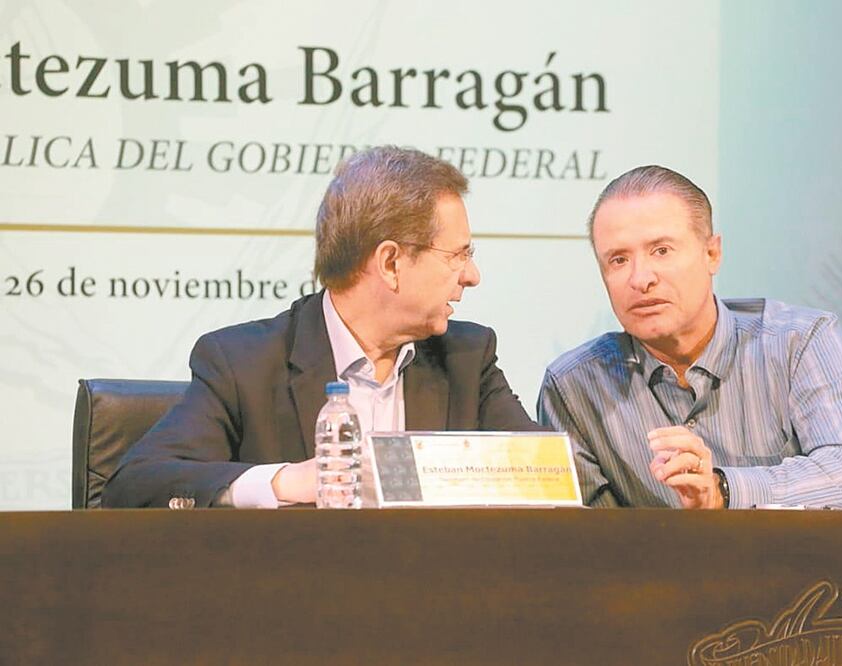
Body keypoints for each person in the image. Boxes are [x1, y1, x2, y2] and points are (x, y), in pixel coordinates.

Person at [104, 146, 538, 508]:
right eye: (457, 255)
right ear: (390, 263)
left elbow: (546, 474)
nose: (472, 276)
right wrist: (285, 481)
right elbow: (136, 484)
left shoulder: (468, 358)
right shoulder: (243, 364)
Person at [537, 165, 842, 510]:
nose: (640, 279)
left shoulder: (798, 342)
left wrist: (723, 489)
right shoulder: (574, 386)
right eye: (618, 260)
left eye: (661, 250)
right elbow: (586, 536)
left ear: (712, 254)